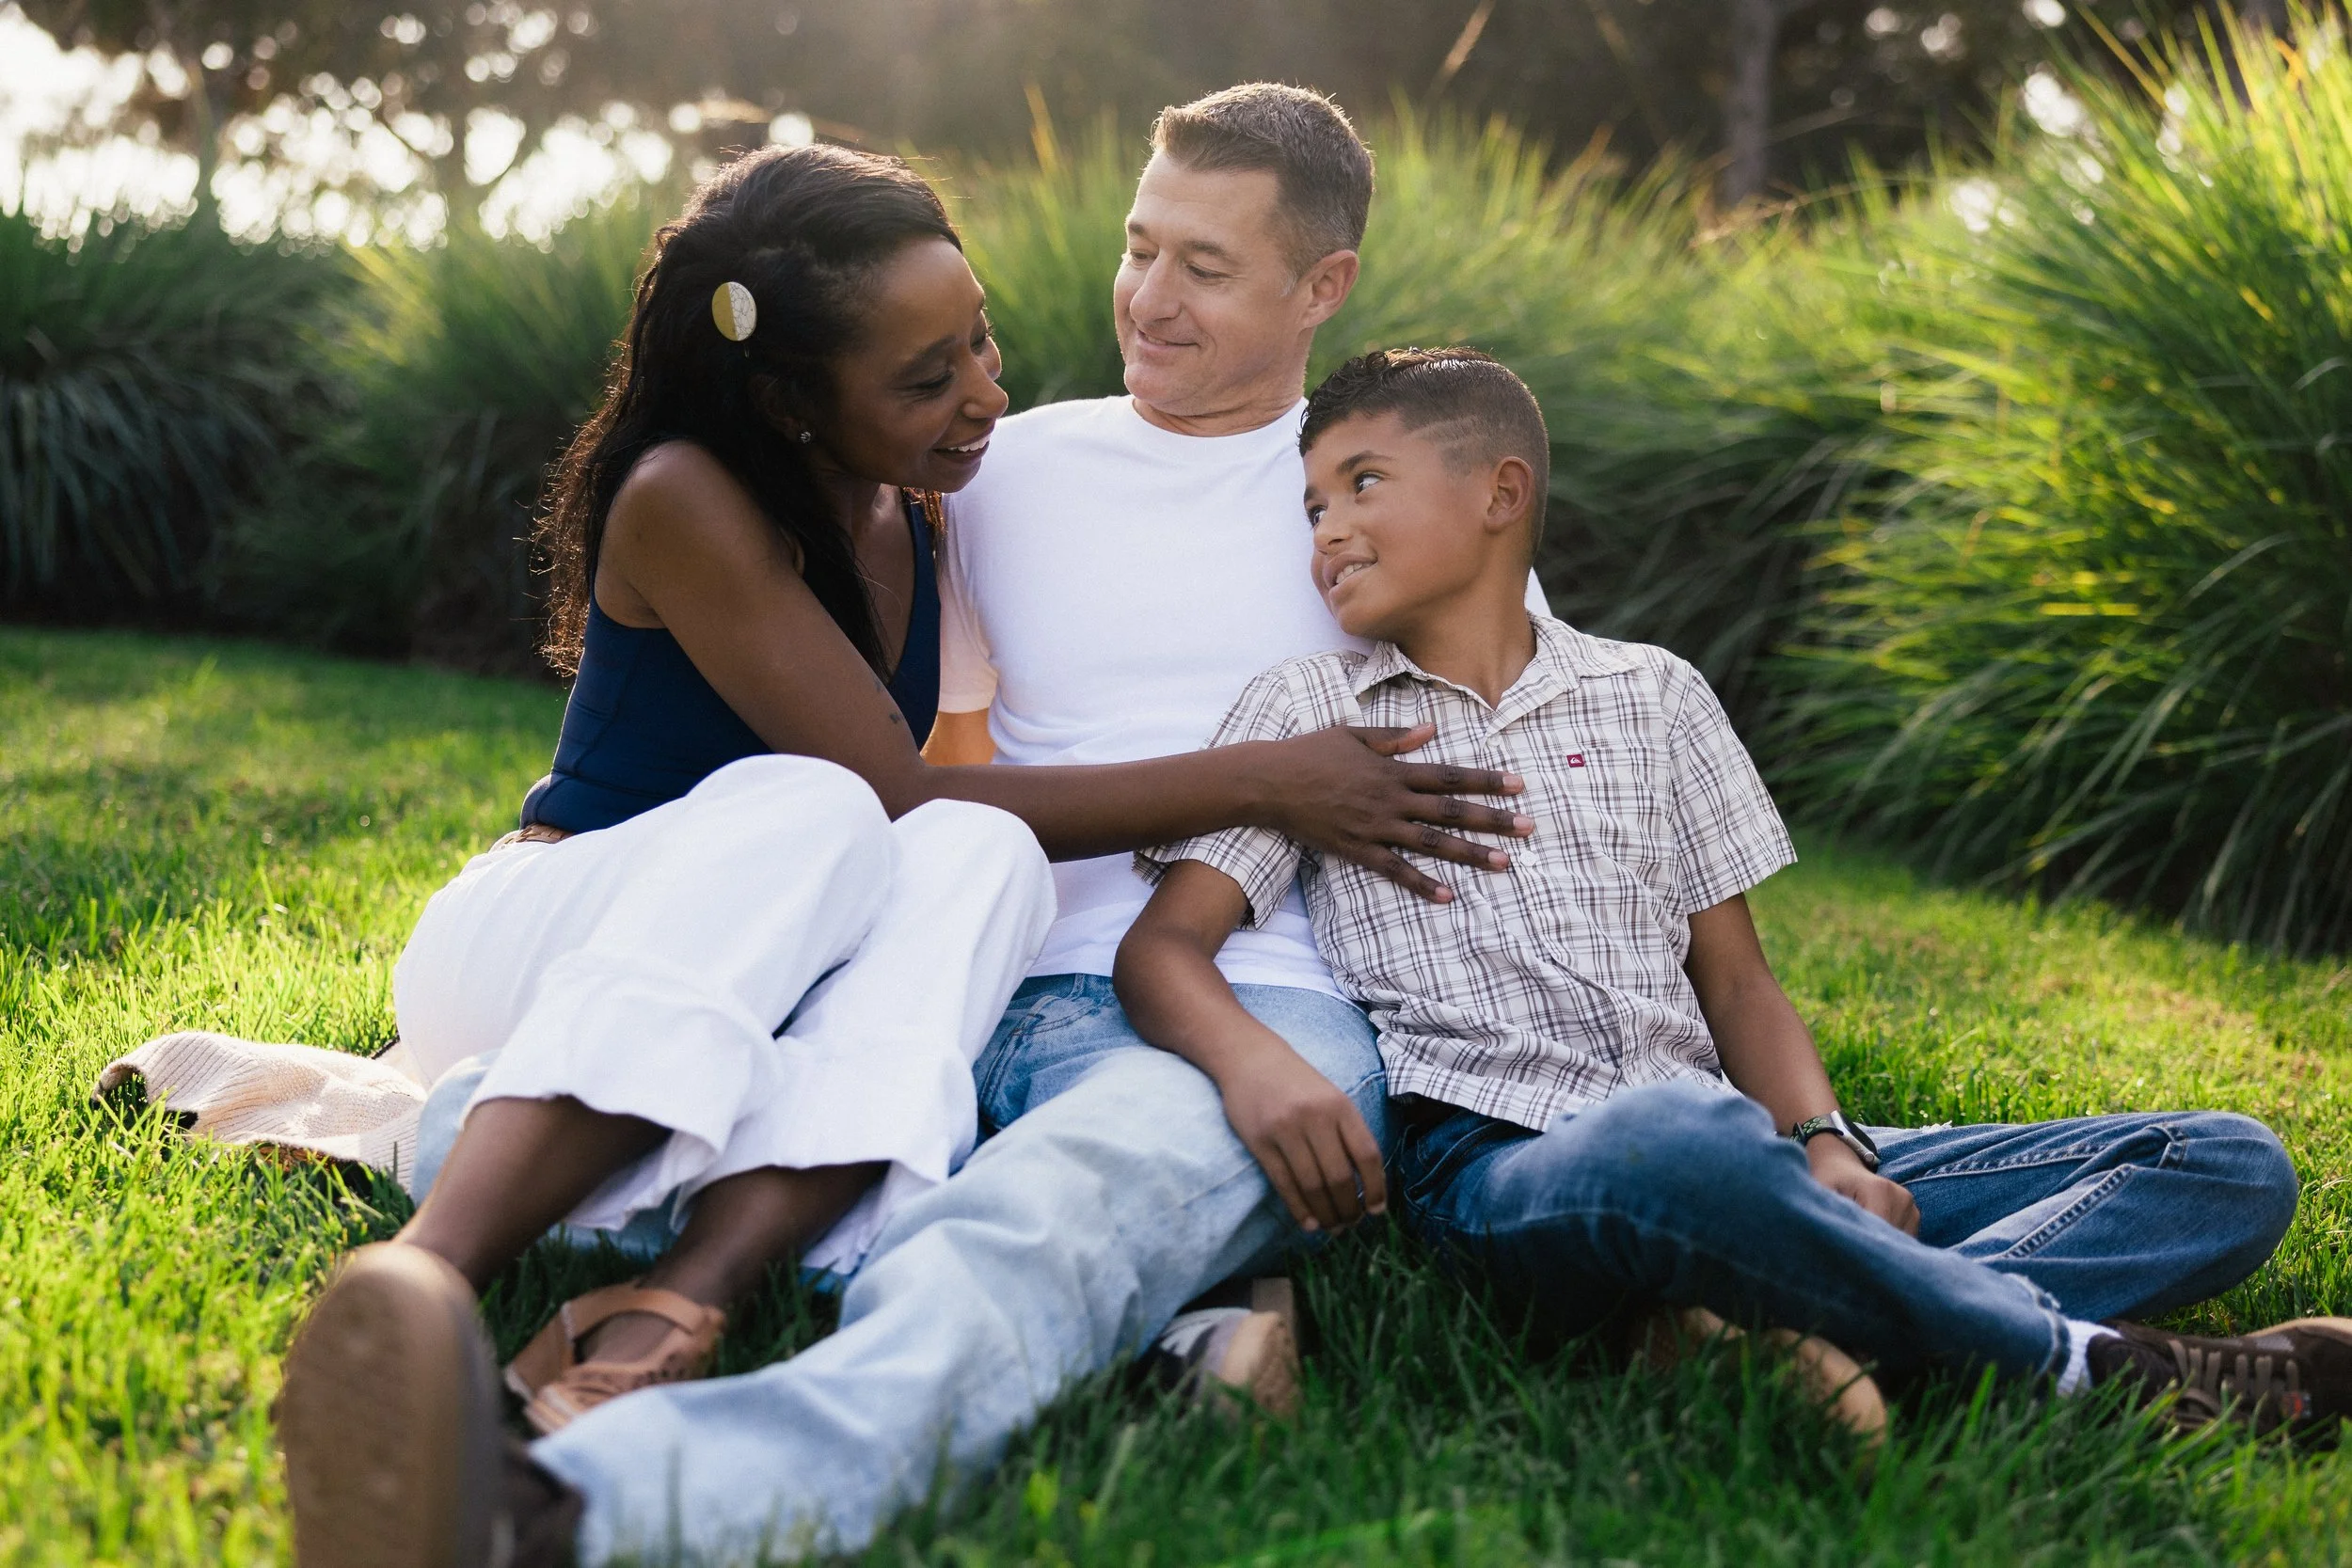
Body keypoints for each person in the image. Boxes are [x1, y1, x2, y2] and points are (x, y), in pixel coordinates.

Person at [275, 138, 1538, 1568]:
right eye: (1139, 247)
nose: (1144, 301)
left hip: (1192, 993)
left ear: (1328, 285)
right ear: (804, 400)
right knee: (856, 825)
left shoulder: (1383, 502)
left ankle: (588, 1483)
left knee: (1009, 1116)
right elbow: (887, 790)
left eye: (1206, 265)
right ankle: (441, 1272)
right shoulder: (957, 474)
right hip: (738, 928)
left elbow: (1527, 808)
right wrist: (1264, 779)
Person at [1115, 344, 2347, 1440]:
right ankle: (2075, 1360)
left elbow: (1738, 978)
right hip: (1500, 1172)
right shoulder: (1305, 711)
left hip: (1731, 1136)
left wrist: (1823, 1142)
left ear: (1500, 493)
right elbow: (1166, 949)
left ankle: (1786, 1326)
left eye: (1363, 483)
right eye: (1313, 502)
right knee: (1678, 1138)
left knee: (2224, 1162)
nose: (1327, 526)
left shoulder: (1656, 691)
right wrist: (1255, 1063)